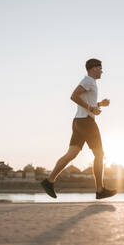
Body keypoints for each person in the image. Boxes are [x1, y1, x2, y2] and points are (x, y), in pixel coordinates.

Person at [41, 58, 117, 200]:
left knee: (72, 154)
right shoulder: (88, 80)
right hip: (86, 123)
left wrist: (99, 104)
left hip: (78, 122)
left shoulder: (90, 82)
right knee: (99, 155)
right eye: (100, 68)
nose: (102, 71)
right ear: (94, 68)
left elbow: (88, 103)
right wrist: (90, 108)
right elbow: (74, 96)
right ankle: (100, 190)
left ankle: (49, 181)